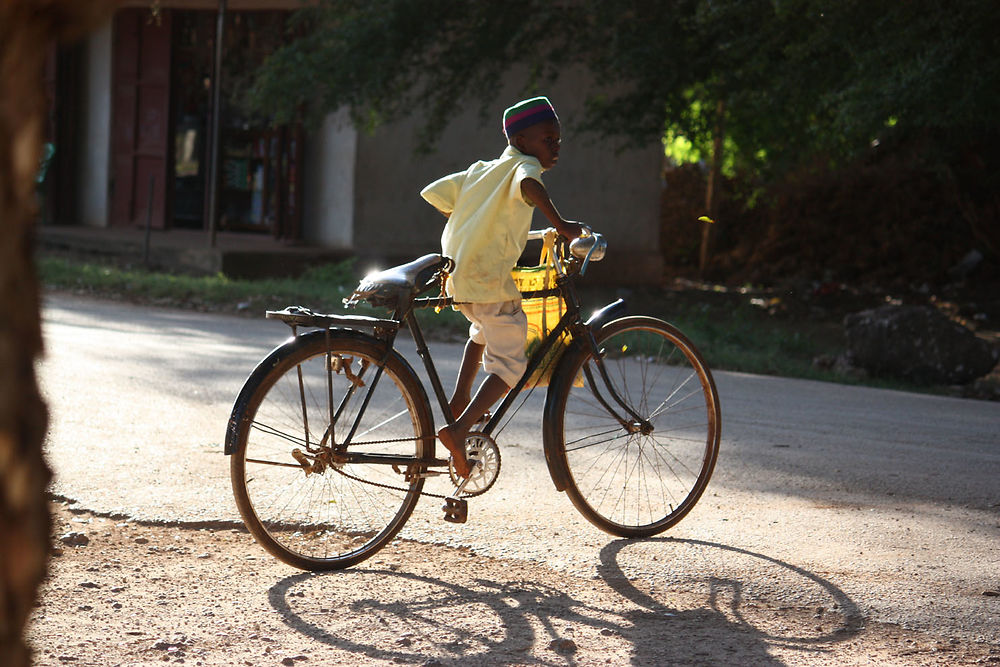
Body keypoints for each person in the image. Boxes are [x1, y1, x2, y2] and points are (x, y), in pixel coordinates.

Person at [420, 96, 584, 478]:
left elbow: (435, 192)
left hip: (459, 274)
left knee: (481, 330)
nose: (555, 146)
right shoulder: (524, 167)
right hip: (488, 276)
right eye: (548, 139)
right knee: (511, 365)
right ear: (523, 141)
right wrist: (561, 226)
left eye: (558, 139)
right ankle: (458, 431)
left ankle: (461, 399)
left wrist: (476, 218)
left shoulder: (482, 170)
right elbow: (530, 186)